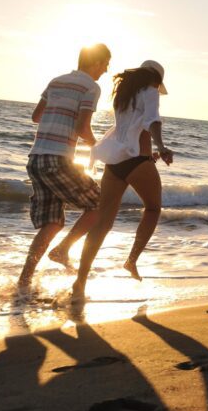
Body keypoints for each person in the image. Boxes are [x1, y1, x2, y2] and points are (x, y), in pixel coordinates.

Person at [70, 60, 174, 302]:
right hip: (137, 161)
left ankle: (80, 282)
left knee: (102, 224)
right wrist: (162, 146)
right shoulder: (150, 92)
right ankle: (132, 259)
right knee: (153, 208)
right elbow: (153, 122)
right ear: (156, 80)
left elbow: (130, 130)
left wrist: (153, 151)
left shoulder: (123, 95)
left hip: (115, 160)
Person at [17, 43, 111, 293]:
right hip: (58, 159)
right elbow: (82, 128)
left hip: (36, 158)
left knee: (53, 223)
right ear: (96, 62)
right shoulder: (91, 87)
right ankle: (63, 250)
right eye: (105, 65)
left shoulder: (56, 81)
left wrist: (58, 113)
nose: (105, 71)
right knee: (100, 204)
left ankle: (24, 282)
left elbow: (36, 116)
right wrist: (101, 146)